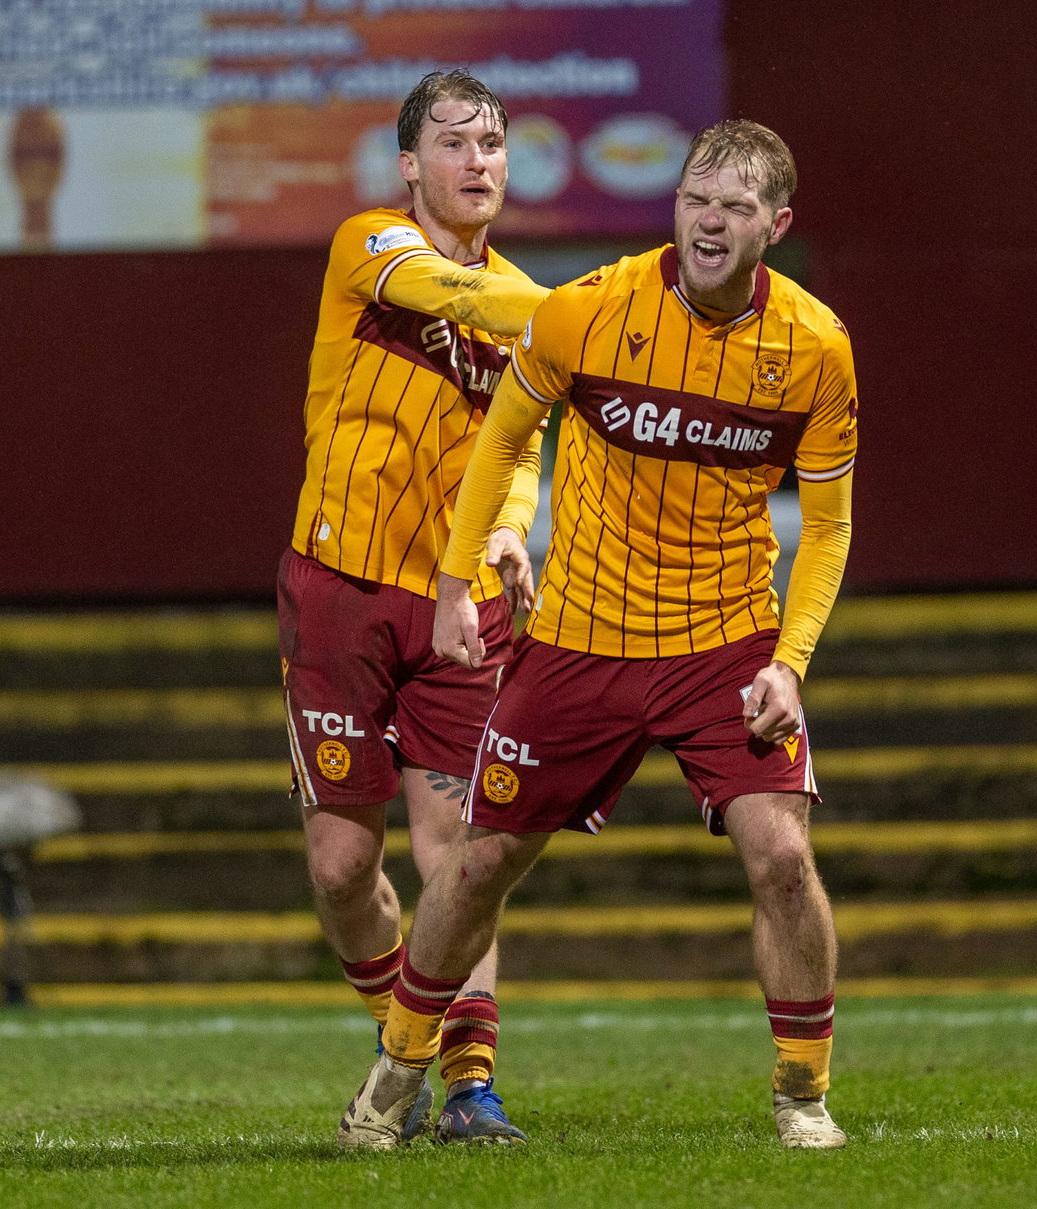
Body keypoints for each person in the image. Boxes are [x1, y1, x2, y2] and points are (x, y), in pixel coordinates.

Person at [339, 118, 858, 1150]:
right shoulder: (586, 311)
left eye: (734, 210)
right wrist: (457, 582)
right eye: (694, 203)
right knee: (481, 863)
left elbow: (831, 524)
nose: (708, 226)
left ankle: (802, 1094)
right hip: (579, 642)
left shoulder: (815, 349)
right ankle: (395, 1074)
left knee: (783, 858)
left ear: (776, 223)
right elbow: (501, 442)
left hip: (723, 645)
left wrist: (790, 666)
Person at [277, 69, 550, 1149]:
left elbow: (523, 446)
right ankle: (414, 1045)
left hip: (460, 607)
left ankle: (468, 1089)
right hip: (337, 590)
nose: (478, 161)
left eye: (493, 143)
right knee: (343, 871)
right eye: (453, 143)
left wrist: (503, 530)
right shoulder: (371, 247)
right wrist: (622, 310)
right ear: (408, 166)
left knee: (465, 850)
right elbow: (464, 300)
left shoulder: (536, 305)